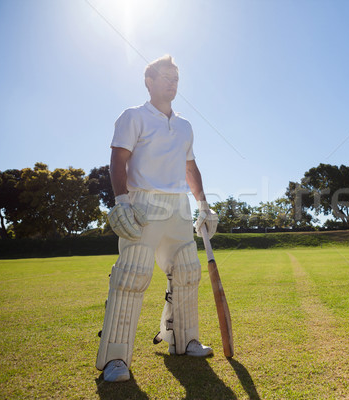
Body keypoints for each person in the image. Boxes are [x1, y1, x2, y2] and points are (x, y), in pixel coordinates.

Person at [96, 55, 218, 382]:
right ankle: (115, 360)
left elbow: (190, 168)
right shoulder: (133, 116)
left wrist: (203, 206)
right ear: (148, 81)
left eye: (176, 78)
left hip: (178, 206)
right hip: (142, 202)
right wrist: (121, 201)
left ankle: (183, 340)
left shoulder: (184, 126)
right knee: (133, 273)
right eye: (165, 77)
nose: (172, 83)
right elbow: (118, 158)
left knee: (188, 272)